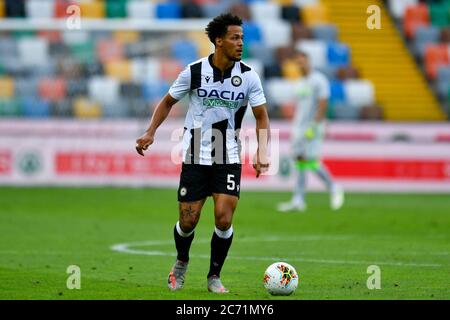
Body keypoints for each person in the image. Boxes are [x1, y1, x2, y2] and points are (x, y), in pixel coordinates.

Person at [135, 13, 270, 293]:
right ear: (218, 41)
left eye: (242, 38)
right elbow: (168, 101)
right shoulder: (194, 71)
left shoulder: (248, 76)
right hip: (196, 153)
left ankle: (214, 276)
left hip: (228, 153)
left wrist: (262, 151)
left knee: (224, 217)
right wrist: (150, 132)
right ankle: (181, 262)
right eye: (235, 38)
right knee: (188, 220)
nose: (240, 43)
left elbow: (261, 117)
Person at [277, 50, 344, 212]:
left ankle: (334, 186)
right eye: (298, 62)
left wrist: (315, 125)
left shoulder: (318, 80)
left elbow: (323, 103)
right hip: (299, 126)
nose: (301, 65)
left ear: (308, 61)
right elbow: (299, 106)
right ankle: (298, 199)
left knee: (311, 160)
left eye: (302, 61)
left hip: (313, 126)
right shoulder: (300, 82)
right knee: (299, 160)